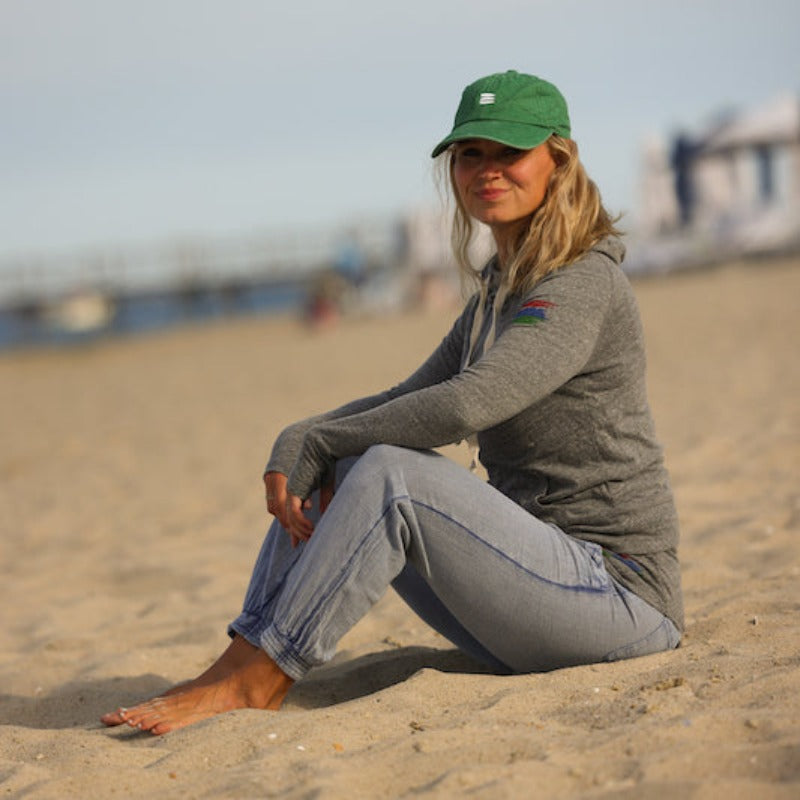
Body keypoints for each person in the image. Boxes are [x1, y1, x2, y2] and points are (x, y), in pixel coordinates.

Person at [102, 70, 683, 735]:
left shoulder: (583, 281)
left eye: (509, 152)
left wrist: (325, 438)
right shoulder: (501, 289)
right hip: (539, 590)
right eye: (472, 154)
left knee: (387, 474)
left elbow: (467, 405)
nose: (488, 170)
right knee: (348, 464)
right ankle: (238, 661)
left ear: (559, 159)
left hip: (620, 596)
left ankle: (262, 677)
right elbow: (412, 396)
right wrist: (307, 436)